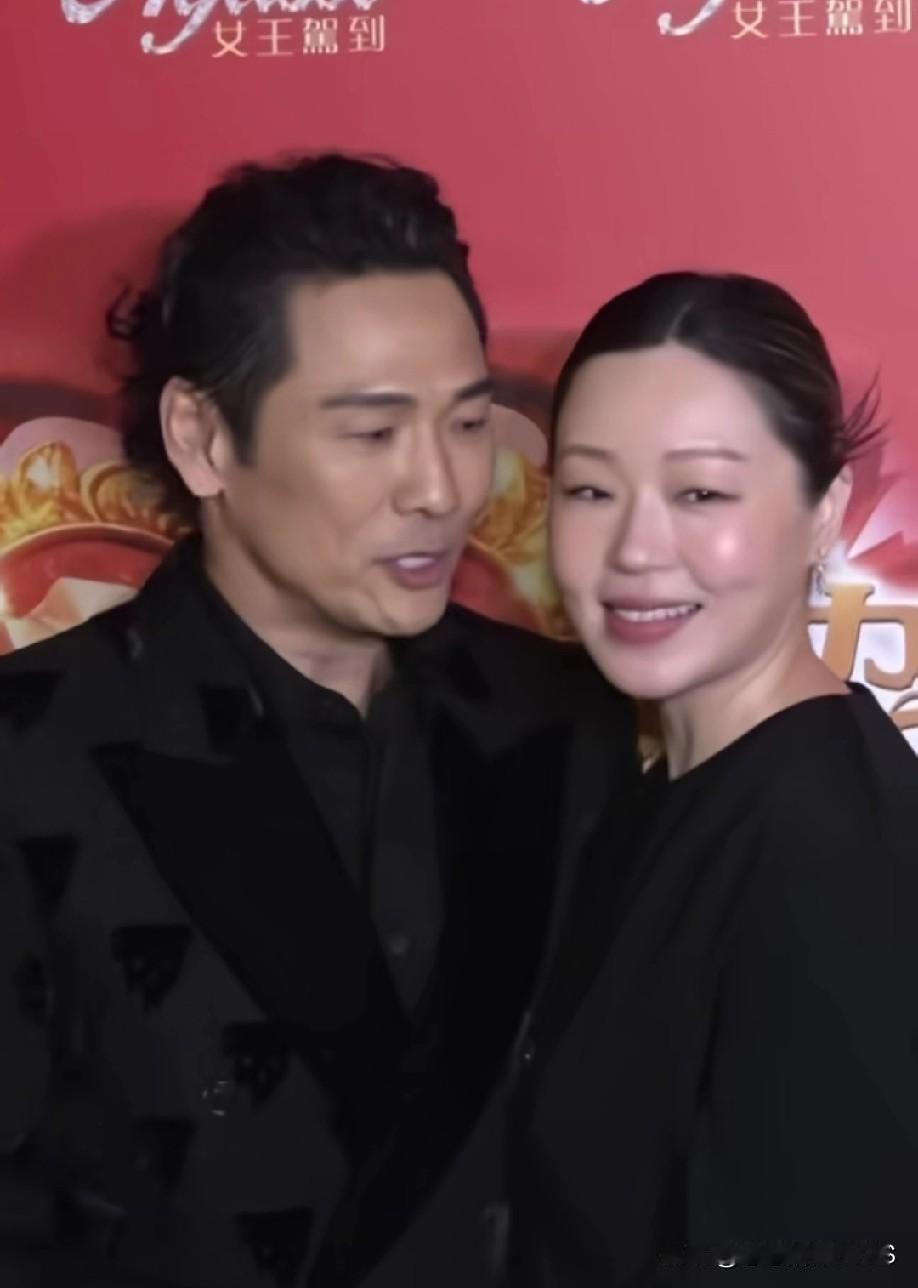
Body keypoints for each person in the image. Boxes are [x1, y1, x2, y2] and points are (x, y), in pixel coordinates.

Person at [0, 153, 636, 1288]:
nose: (441, 487)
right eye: (372, 432)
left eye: (468, 421)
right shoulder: (31, 756)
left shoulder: (570, 723)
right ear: (203, 437)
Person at [509, 271, 918, 1285]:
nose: (636, 550)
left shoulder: (831, 863)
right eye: (591, 491)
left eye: (701, 493)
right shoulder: (657, 789)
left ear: (825, 513)